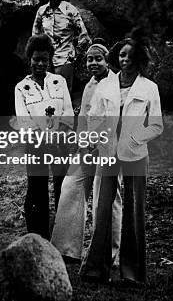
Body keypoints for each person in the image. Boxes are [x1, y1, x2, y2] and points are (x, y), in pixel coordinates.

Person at [80, 31, 163, 284]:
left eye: (129, 55)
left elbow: (157, 125)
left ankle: (133, 273)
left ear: (139, 59)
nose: (124, 59)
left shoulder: (149, 88)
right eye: (121, 55)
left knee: (134, 210)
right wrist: (94, 141)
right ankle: (96, 270)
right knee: (103, 207)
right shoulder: (105, 85)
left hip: (136, 154)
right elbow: (94, 117)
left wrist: (136, 138)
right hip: (107, 152)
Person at [50, 40, 122, 264]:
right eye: (90, 59)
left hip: (109, 148)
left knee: (107, 198)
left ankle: (111, 254)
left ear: (107, 61)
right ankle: (67, 248)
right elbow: (84, 119)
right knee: (71, 186)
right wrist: (81, 143)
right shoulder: (90, 84)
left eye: (98, 59)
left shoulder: (116, 84)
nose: (93, 63)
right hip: (86, 147)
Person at [13, 34, 74, 239]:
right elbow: (24, 120)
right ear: (29, 58)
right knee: (37, 187)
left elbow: (67, 113)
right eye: (36, 59)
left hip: (60, 142)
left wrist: (58, 136)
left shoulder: (59, 81)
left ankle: (63, 235)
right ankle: (38, 236)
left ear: (50, 60)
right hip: (35, 144)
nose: (40, 63)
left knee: (62, 185)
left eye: (44, 59)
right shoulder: (21, 87)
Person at [32, 0, 90, 92]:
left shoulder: (70, 10)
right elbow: (35, 34)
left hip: (65, 58)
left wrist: (75, 53)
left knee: (63, 92)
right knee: (45, 90)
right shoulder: (42, 10)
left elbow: (83, 35)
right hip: (45, 59)